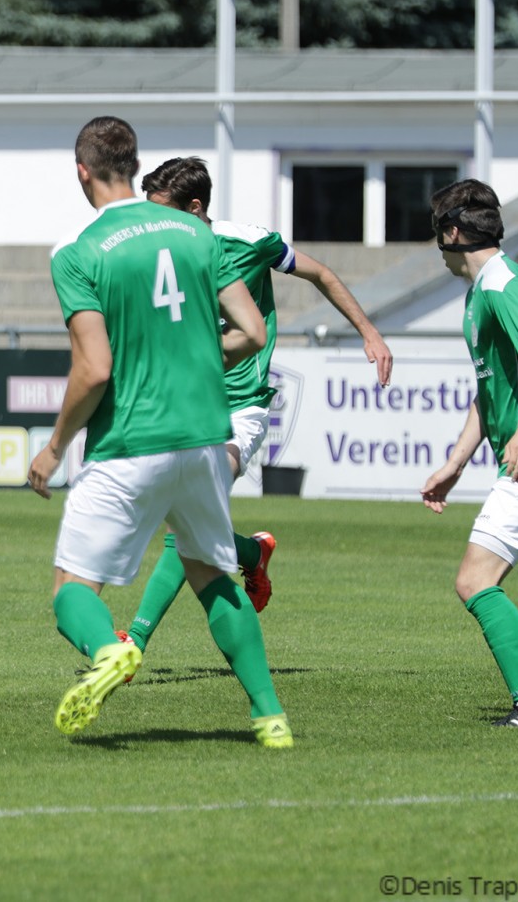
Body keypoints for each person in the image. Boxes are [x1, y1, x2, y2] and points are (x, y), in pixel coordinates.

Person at [28, 116, 292, 748]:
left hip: (130, 441)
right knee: (210, 575)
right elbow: (253, 334)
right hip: (204, 435)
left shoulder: (77, 249)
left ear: (82, 170)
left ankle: (108, 651)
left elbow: (95, 368)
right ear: (134, 162)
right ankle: (270, 717)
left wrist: (55, 444)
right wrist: (201, 359)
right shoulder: (197, 235)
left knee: (71, 588)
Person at [122, 157, 394, 650]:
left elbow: (321, 274)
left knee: (186, 508)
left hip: (239, 408)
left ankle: (135, 640)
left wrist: (369, 333)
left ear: (195, 208)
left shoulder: (247, 242)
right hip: (185, 406)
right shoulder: (157, 257)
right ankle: (252, 553)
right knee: (189, 512)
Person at [419, 179, 518, 728]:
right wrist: (456, 462)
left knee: (474, 580)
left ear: (452, 233)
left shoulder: (502, 285)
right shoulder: (480, 291)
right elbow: (488, 390)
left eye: (436, 234)